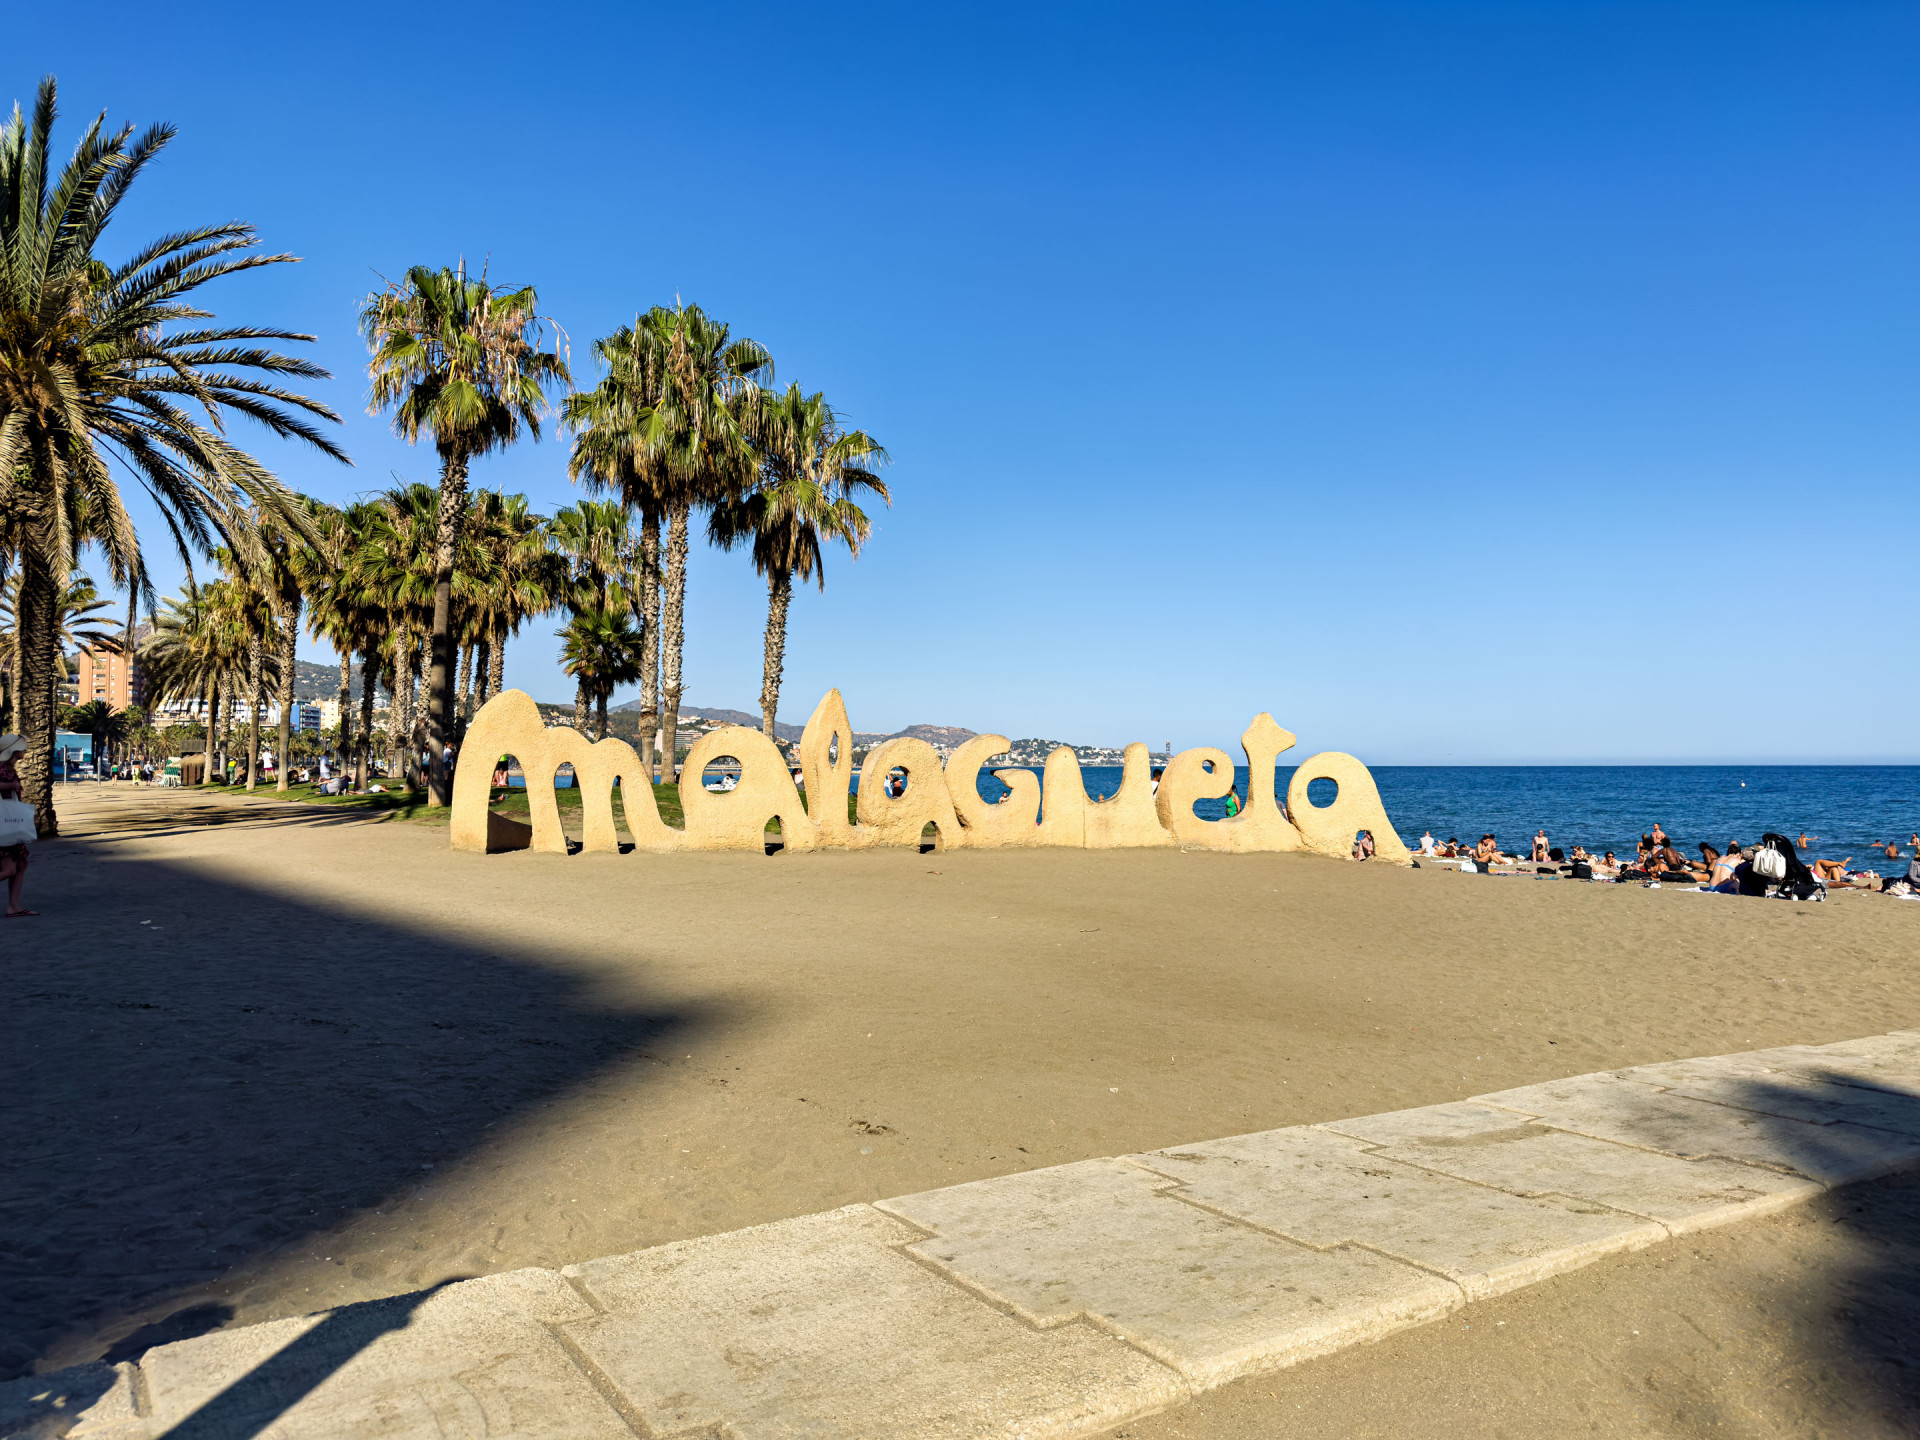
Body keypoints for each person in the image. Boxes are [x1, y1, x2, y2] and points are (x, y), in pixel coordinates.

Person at [0, 734, 36, 917]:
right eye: (22, 748)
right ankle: (13, 906)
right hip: (5, 827)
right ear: (12, 751)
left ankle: (13, 906)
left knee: (21, 864)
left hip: (10, 825)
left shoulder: (8, 768)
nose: (25, 750)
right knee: (9, 869)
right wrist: (10, 785)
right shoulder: (3, 769)